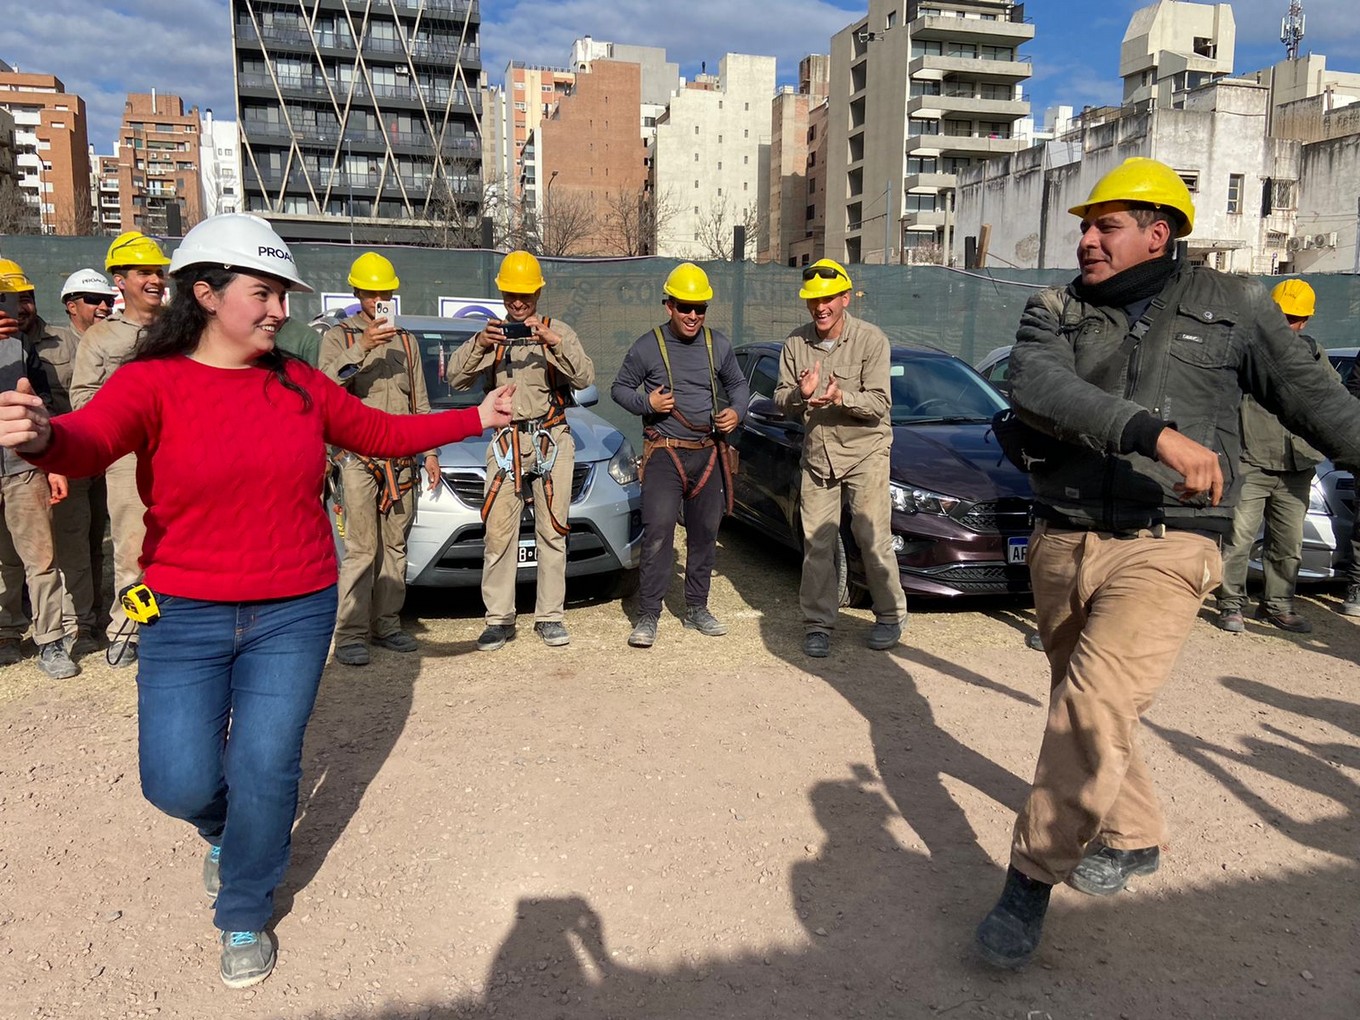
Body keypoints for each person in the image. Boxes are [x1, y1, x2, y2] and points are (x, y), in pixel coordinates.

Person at [0, 213, 513, 988]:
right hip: (181, 608)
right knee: (174, 780)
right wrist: (41, 440)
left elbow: (378, 430)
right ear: (204, 293)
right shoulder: (152, 380)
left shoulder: (299, 383)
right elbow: (90, 438)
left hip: (294, 608)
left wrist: (477, 416)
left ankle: (243, 909)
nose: (278, 309)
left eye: (282, 294)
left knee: (267, 766)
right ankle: (223, 830)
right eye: (263, 292)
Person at [974, 157, 1360, 970]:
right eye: (1085, 225)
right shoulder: (1054, 308)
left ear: (1159, 233)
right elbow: (1038, 386)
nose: (1085, 240)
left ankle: (1029, 878)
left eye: (1105, 226)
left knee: (1092, 705)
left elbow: (1321, 405)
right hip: (1061, 534)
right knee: (1087, 703)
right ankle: (1137, 834)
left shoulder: (1238, 308)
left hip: (1169, 538)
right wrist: (1151, 431)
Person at [447, 250, 595, 651]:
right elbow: (455, 379)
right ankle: (499, 618)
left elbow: (584, 375)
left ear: (538, 294)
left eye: (525, 295)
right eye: (512, 294)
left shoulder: (557, 330)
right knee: (498, 535)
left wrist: (554, 343)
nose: (518, 302)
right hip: (505, 442)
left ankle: (549, 616)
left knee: (553, 533)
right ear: (501, 292)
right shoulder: (490, 336)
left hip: (550, 439)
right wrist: (479, 343)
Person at [772, 258, 907, 658]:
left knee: (872, 539)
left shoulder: (871, 340)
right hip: (818, 459)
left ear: (845, 298)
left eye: (828, 298)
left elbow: (880, 403)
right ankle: (818, 624)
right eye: (813, 300)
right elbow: (781, 398)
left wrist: (840, 397)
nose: (820, 307)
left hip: (865, 454)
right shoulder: (795, 344)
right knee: (817, 543)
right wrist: (801, 394)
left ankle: (889, 615)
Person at [611, 263, 749, 647]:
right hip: (665, 455)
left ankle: (696, 608)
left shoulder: (717, 344)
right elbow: (619, 389)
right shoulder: (646, 346)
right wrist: (647, 402)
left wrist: (737, 412)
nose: (692, 315)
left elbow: (738, 385)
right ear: (668, 305)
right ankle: (648, 615)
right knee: (658, 534)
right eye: (684, 306)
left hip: (707, 454)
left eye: (699, 308)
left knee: (706, 534)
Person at [318, 252, 435, 666]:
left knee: (395, 547)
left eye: (385, 292)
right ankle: (350, 633)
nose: (378, 299)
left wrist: (430, 452)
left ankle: (386, 624)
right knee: (362, 549)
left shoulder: (406, 340)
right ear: (357, 293)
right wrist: (362, 348)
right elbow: (325, 388)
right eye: (371, 293)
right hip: (357, 460)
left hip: (401, 460)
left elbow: (420, 402)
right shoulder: (338, 338)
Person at [71, 232, 171, 666]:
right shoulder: (102, 338)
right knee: (133, 547)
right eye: (144, 272)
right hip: (129, 459)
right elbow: (82, 400)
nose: (155, 279)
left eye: (158, 271)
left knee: (179, 542)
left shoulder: (182, 329)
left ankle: (175, 622)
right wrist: (129, 401)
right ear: (120, 279)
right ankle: (130, 629)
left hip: (181, 453)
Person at [1214, 279, 1333, 634]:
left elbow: (1331, 401)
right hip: (1251, 459)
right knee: (1239, 539)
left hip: (1297, 464)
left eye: (1297, 318)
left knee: (1288, 544)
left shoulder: (1313, 354)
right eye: (1284, 317)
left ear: (1307, 320)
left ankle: (1278, 605)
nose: (1290, 325)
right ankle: (1230, 604)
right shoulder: (1246, 351)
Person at [32, 269, 120, 654]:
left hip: (113, 456)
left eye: (107, 300)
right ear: (71, 305)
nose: (103, 306)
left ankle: (98, 613)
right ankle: (78, 623)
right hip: (69, 458)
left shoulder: (119, 340)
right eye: (92, 300)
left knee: (101, 540)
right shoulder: (50, 346)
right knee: (72, 543)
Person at [0, 263, 77, 679]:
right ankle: (7, 634)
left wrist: (52, 465)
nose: (10, 308)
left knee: (40, 560)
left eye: (14, 298)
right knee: (5, 563)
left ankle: (50, 641)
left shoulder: (22, 349)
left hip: (23, 469)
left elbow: (44, 406)